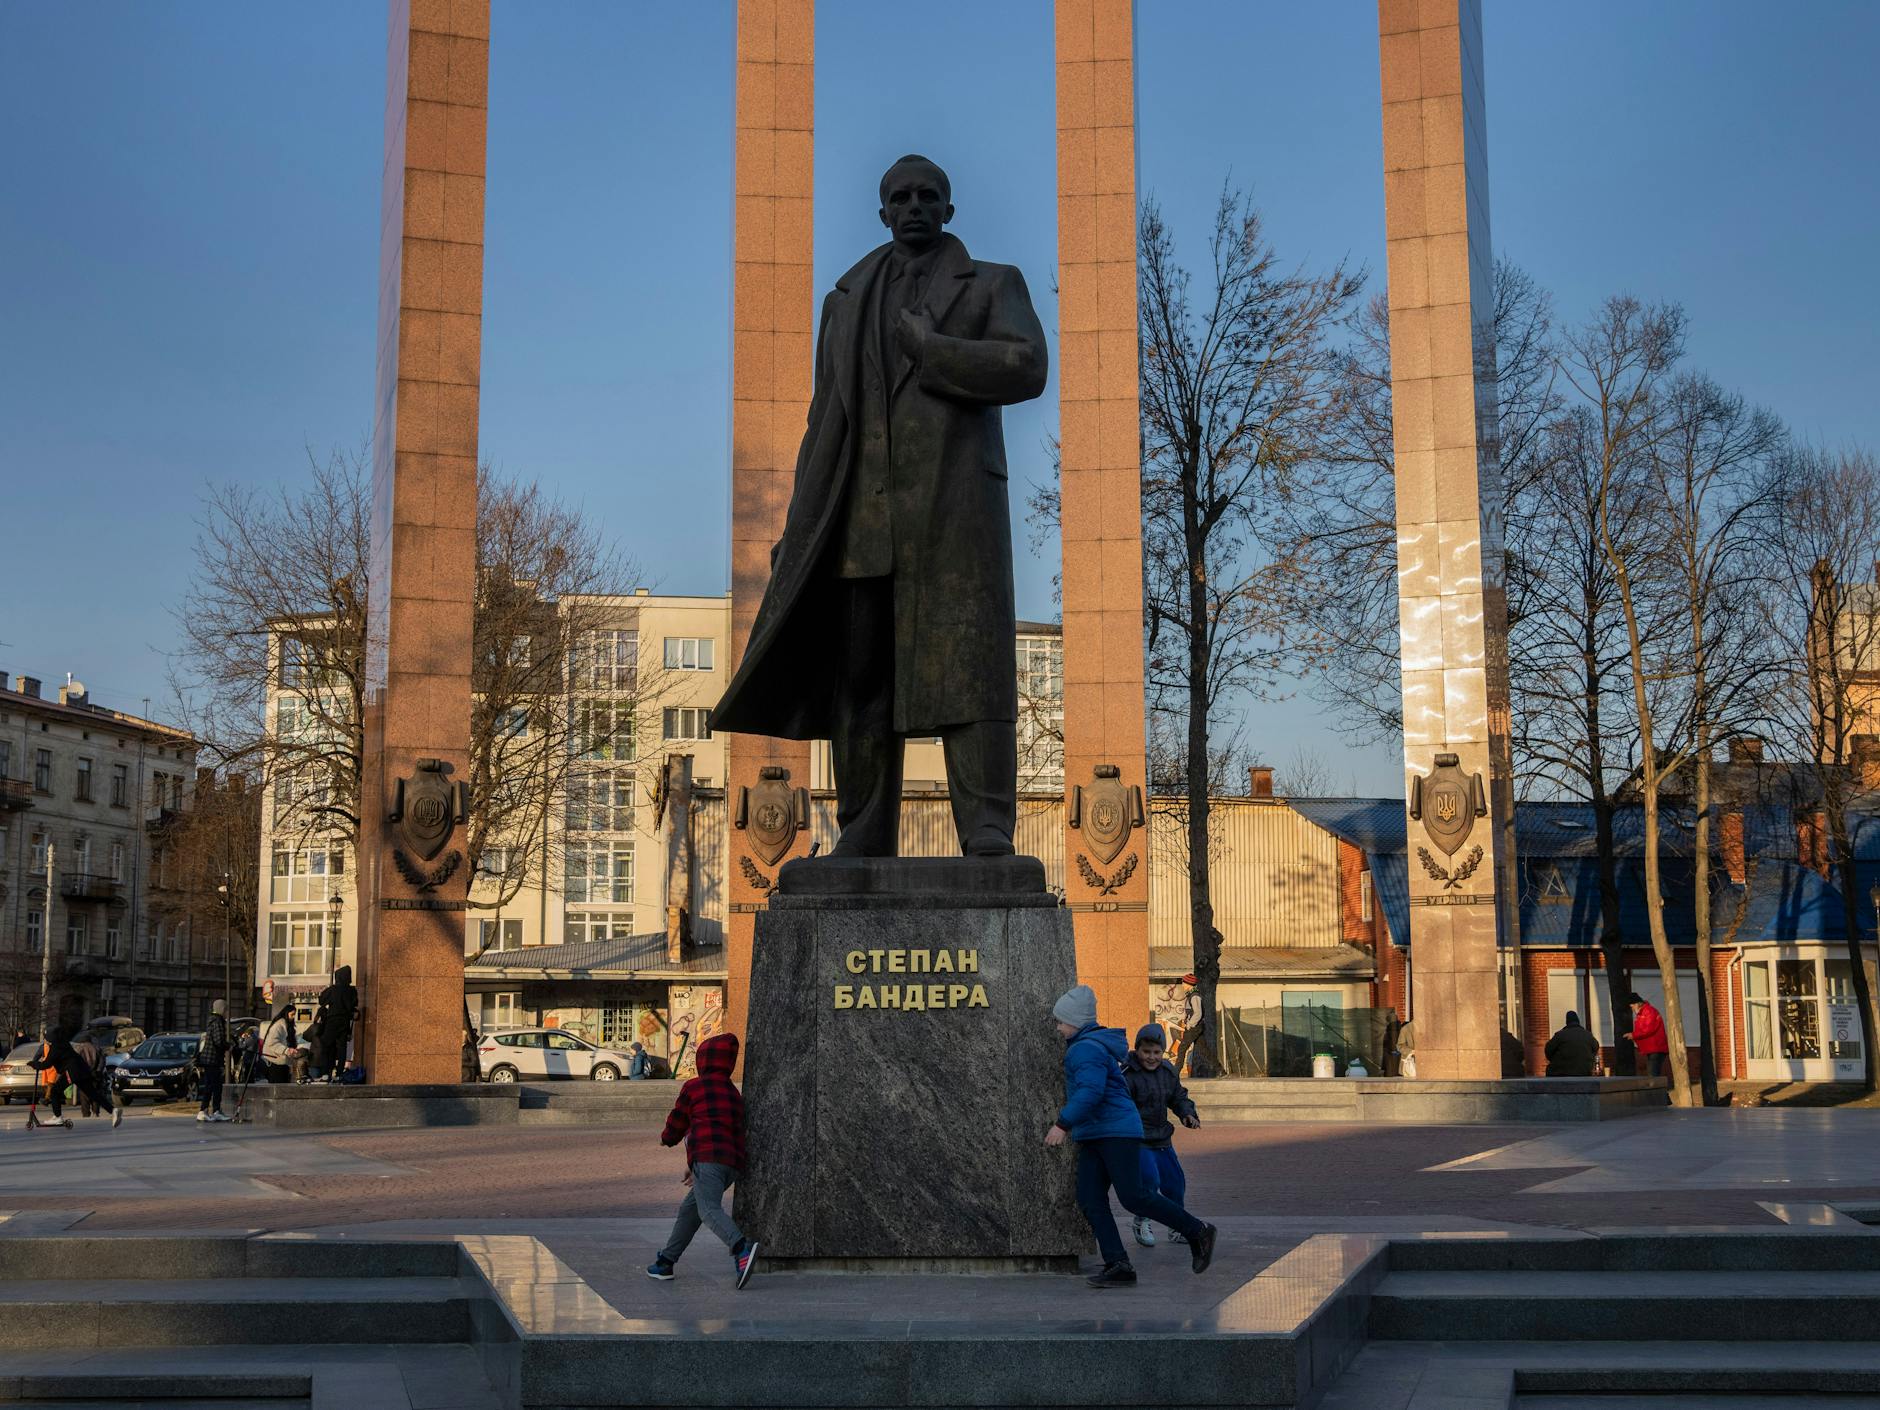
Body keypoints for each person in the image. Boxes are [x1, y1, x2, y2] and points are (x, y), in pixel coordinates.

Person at [712, 155, 1050, 858]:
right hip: (861, 520)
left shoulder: (993, 284)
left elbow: (1027, 366)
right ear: (883, 212)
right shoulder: (845, 301)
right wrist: (798, 527)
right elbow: (823, 421)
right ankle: (865, 831)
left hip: (954, 515)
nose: (915, 206)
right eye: (901, 197)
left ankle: (986, 827)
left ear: (950, 209)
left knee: (968, 670)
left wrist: (935, 351)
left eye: (929, 196)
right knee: (861, 680)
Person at [1046, 985, 1216, 1289]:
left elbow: (1091, 1092)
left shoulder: (1084, 1048)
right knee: (1089, 1198)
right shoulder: (1092, 1044)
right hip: (1099, 1133)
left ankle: (1197, 1231)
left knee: (1134, 1196)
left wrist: (1062, 1124)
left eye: (1061, 1021)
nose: (1058, 1028)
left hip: (1114, 1131)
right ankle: (1118, 1264)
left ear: (1075, 1021)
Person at [646, 1032, 758, 1289]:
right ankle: (666, 1262)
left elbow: (678, 1120)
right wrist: (694, 1163)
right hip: (730, 1164)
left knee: (708, 1210)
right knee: (690, 1211)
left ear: (702, 1060)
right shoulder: (733, 1093)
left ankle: (741, 1249)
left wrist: (667, 1139)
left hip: (708, 1160)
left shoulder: (694, 1087)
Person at [1122, 1022, 1200, 1249]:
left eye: (1157, 1052)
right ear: (1137, 1050)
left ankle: (1177, 1226)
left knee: (1175, 1183)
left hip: (1162, 1138)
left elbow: (1179, 1097)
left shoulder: (1167, 1071)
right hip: (1138, 1140)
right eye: (1146, 1052)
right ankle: (1142, 1219)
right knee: (1150, 1181)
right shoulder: (1127, 1074)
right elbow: (1122, 1105)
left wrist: (1187, 1114)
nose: (1151, 1057)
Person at [29, 1023, 120, 1128]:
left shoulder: (55, 1048)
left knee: (55, 1091)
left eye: (46, 1038)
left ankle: (57, 1116)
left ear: (51, 1038)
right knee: (92, 1093)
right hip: (82, 1069)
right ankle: (113, 1111)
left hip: (72, 1071)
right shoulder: (63, 1043)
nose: (45, 1040)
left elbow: (46, 1064)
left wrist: (33, 1064)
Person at [308, 965, 358, 1081]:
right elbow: (353, 1005)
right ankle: (340, 1072)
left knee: (326, 1045)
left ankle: (326, 1071)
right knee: (342, 1047)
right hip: (345, 1021)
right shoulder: (351, 990)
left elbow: (322, 1001)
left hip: (332, 1020)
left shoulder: (333, 989)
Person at [1623, 992, 1671, 1079]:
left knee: (1653, 1075)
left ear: (1637, 1004)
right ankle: (1657, 1091)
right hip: (1652, 1048)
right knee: (1653, 1074)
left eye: (1632, 1006)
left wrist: (1633, 1035)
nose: (1632, 1009)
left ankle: (1657, 1092)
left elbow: (1648, 1029)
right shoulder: (1643, 1013)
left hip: (1656, 1048)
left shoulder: (1649, 1012)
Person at [197, 1000, 230, 1122]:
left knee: (211, 1085)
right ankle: (212, 1110)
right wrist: (228, 1045)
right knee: (215, 1086)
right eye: (226, 1010)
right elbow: (219, 1041)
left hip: (209, 1059)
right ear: (222, 1009)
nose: (227, 1013)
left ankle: (206, 1110)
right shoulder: (218, 1022)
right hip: (213, 1059)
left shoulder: (213, 1021)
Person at [1544, 1011, 1601, 1077]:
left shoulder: (1560, 1035)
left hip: (1561, 1072)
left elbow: (1548, 1050)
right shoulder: (1588, 1035)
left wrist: (1555, 1059)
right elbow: (1596, 1047)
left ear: (1567, 1022)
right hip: (1584, 1071)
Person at [260, 1005, 299, 1084]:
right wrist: (286, 1050)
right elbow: (272, 1043)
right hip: (275, 1062)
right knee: (278, 1087)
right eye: (292, 1014)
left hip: (282, 1062)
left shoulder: (287, 1025)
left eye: (294, 1014)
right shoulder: (278, 1025)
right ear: (286, 1013)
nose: (293, 1017)